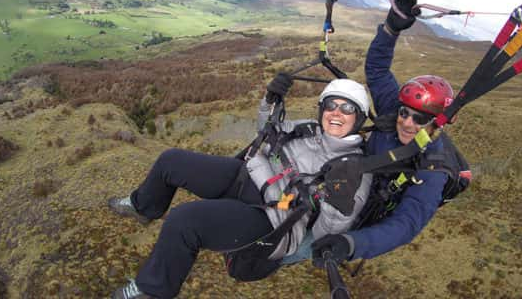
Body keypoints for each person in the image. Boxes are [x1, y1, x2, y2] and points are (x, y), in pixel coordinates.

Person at [109, 75, 373, 299]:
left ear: (359, 118)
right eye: (331, 105)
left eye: (347, 109)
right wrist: (269, 102)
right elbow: (267, 131)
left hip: (272, 215)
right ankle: (143, 207)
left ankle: (151, 290)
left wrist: (338, 204)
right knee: (171, 161)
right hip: (248, 176)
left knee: (184, 221)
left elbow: (326, 232)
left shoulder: (354, 169)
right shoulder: (309, 129)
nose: (336, 113)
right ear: (321, 109)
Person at [311, 0, 471, 266]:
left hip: (361, 211)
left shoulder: (434, 167)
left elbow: (407, 223)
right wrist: (390, 30)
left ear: (437, 122)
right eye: (404, 112)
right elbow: (377, 69)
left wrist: (352, 244)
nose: (407, 122)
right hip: (343, 177)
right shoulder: (392, 109)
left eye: (420, 119)